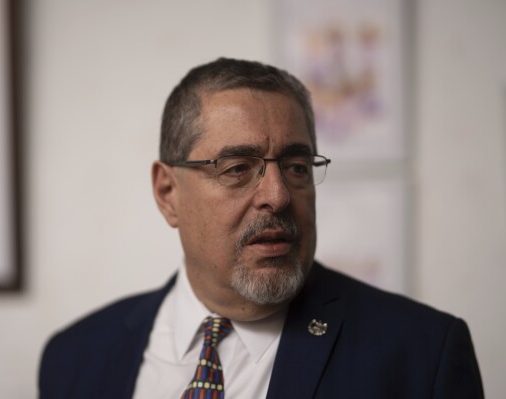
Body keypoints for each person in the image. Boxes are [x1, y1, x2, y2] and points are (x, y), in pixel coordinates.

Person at [39, 58, 483, 398]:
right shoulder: (74, 357)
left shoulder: (423, 356)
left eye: (295, 166)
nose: (278, 195)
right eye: (236, 168)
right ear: (167, 192)